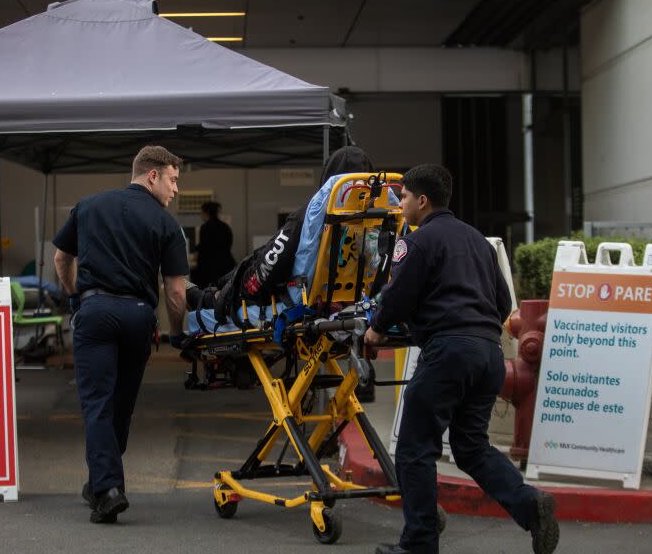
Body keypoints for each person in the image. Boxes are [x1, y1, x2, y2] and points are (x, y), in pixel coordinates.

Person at [365, 164, 559, 554]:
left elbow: (399, 294)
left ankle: (419, 543)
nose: (401, 205)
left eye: (403, 197)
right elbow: (503, 302)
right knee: (471, 447)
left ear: (422, 200)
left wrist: (376, 329)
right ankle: (529, 504)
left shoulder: (418, 241)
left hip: (448, 353)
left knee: (415, 447)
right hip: (488, 355)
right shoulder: (478, 242)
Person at [52, 145, 188, 524]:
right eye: (173, 180)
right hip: (138, 318)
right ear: (152, 176)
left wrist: (74, 293)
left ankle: (106, 486)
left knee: (97, 403)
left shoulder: (89, 205)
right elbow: (176, 293)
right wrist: (178, 335)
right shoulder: (166, 225)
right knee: (121, 405)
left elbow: (61, 258)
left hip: (95, 313)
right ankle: (104, 483)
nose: (175, 190)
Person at [186, 146, 374, 316]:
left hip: (299, 298)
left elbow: (272, 261)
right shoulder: (379, 217)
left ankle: (210, 297)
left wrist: (240, 288)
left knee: (246, 271)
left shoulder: (311, 215)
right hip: (354, 299)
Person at [193, 201, 235, 288]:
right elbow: (228, 245)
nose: (201, 215)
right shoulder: (225, 227)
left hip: (209, 271)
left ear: (206, 213)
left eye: (202, 213)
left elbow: (204, 249)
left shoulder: (205, 228)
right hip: (226, 267)